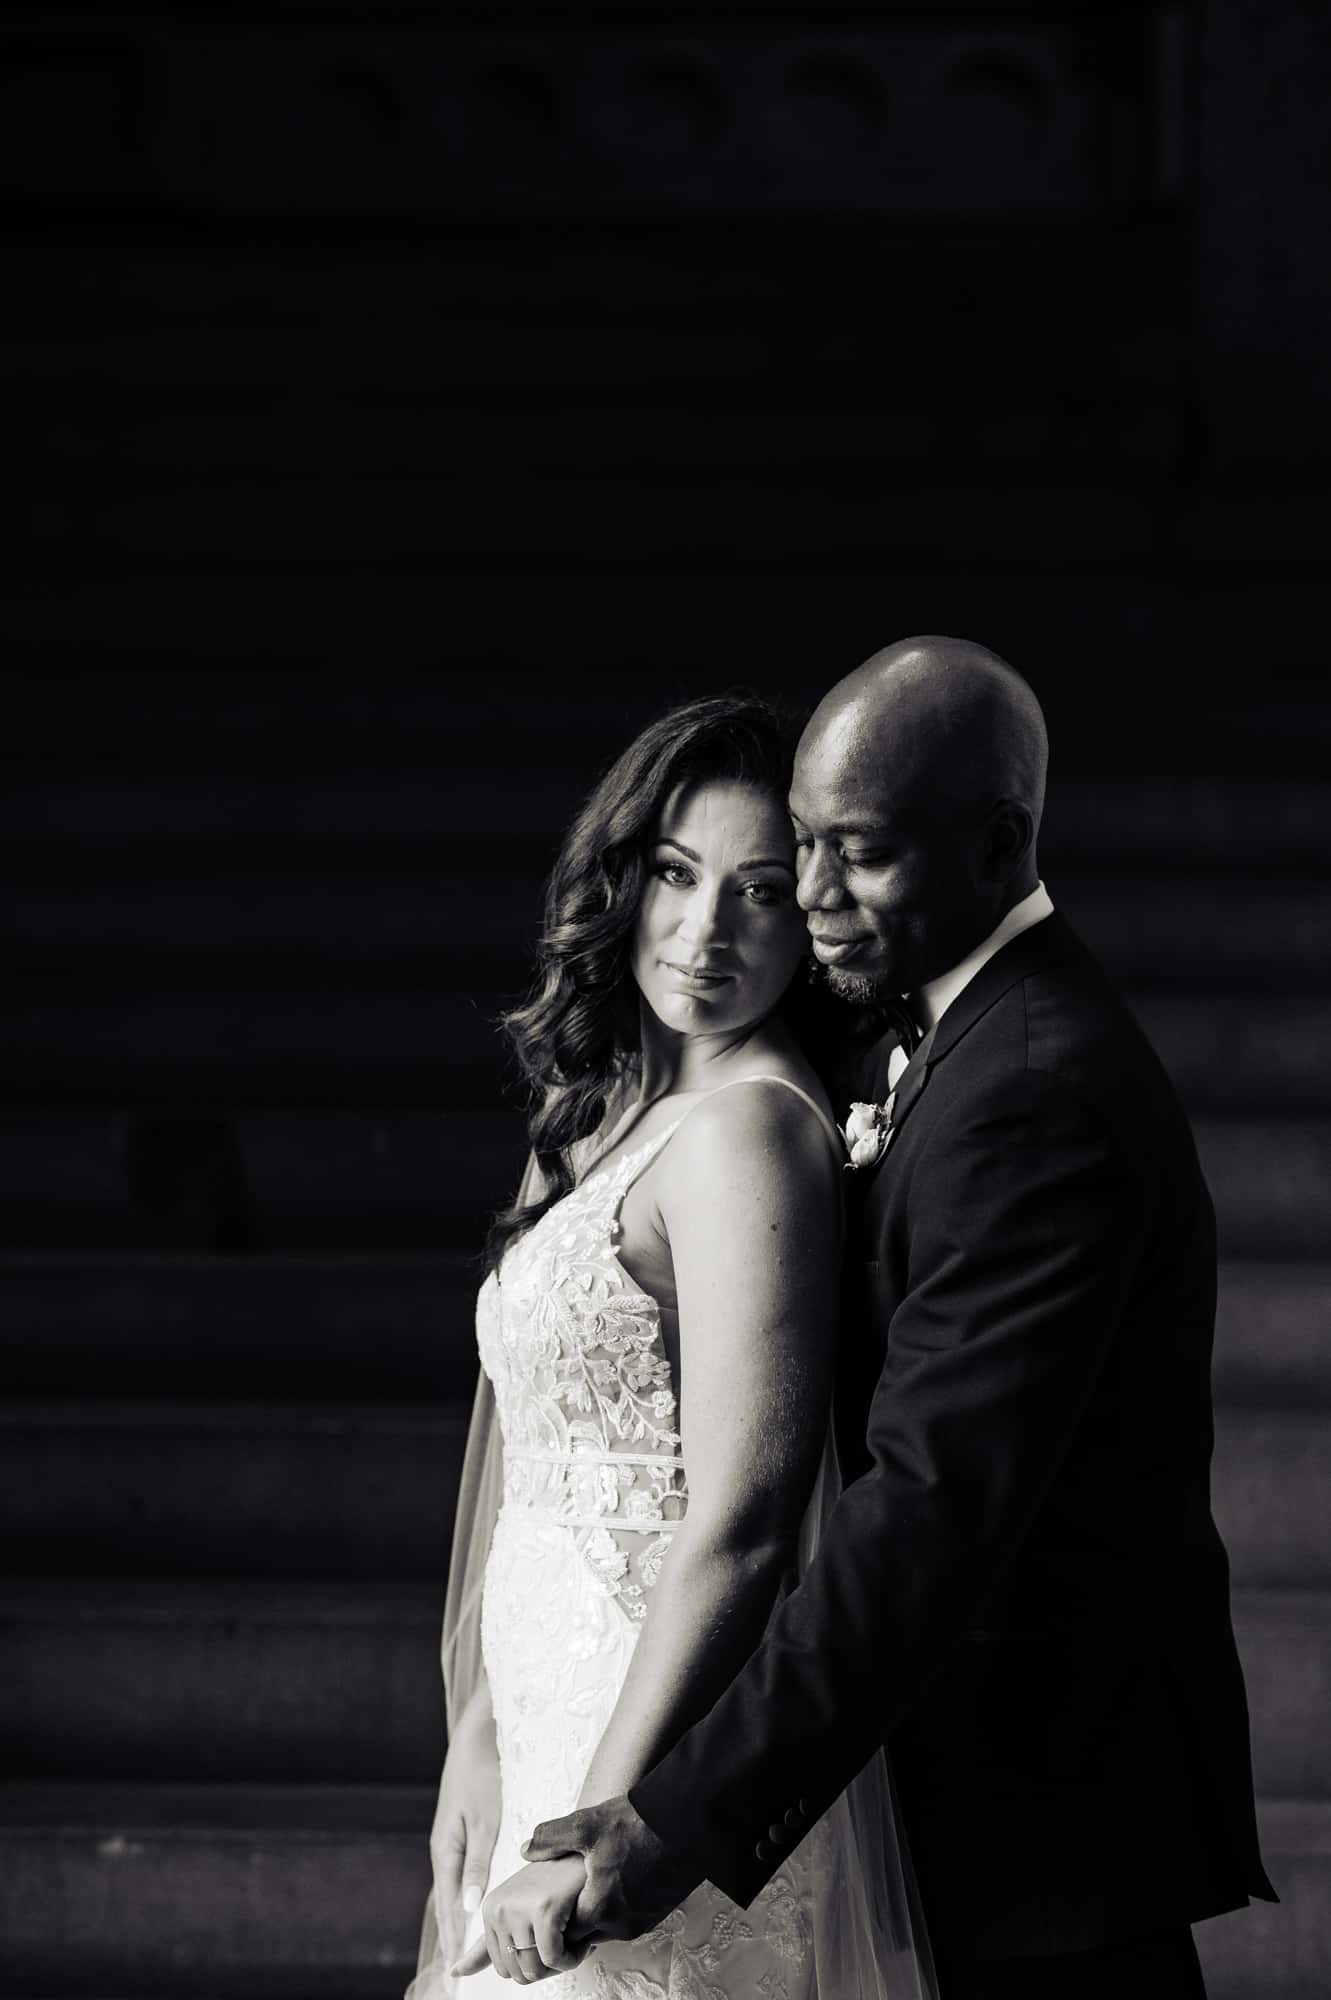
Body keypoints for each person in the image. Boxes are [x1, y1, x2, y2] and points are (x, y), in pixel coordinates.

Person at [480, 639, 1277, 1999]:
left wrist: (663, 1824)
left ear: (999, 842)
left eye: (859, 855)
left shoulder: (1036, 1085)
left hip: (1040, 1818)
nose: (821, 900)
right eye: (809, 849)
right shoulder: (932, 1033)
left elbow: (929, 1508)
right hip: (963, 1800)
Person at [410, 693, 936, 2000]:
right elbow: (533, 1457)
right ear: (620, 874)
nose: (705, 932)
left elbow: (746, 1522)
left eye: (759, 891)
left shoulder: (750, 1132)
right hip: (534, 1696)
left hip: (641, 1723)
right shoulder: (605, 1114)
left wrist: (599, 1827)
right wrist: (475, 1742)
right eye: (676, 874)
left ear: (813, 920)